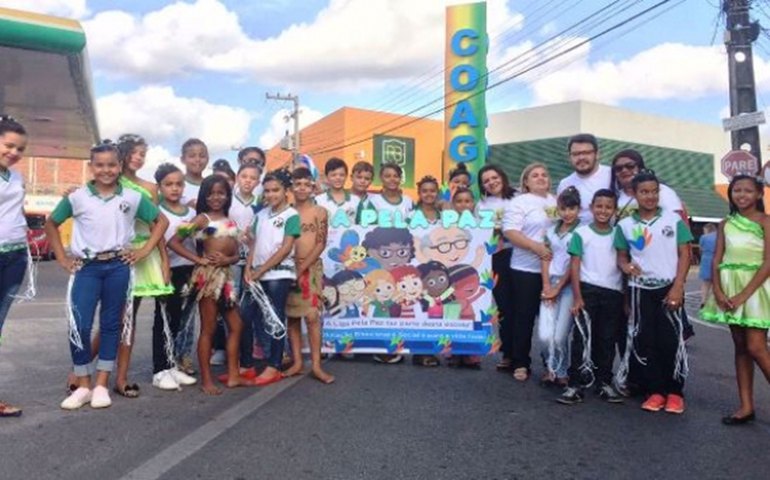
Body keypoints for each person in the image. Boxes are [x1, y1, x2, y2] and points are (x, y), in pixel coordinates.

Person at [45, 140, 166, 410]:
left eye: (112, 165)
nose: (106, 170)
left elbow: (161, 222)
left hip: (118, 267)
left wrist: (144, 250)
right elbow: (51, 223)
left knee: (113, 325)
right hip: (87, 267)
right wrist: (63, 258)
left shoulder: (133, 198)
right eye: (100, 165)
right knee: (80, 325)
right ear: (91, 167)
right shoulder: (76, 197)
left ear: (120, 166)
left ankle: (101, 384)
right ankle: (83, 384)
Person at [615, 170, 692, 414]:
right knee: (645, 341)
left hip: (668, 288)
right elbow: (621, 257)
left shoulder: (673, 220)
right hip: (640, 291)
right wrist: (626, 266)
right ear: (635, 194)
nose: (650, 196)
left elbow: (685, 254)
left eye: (654, 191)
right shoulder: (625, 225)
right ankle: (655, 391)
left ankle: (675, 392)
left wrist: (678, 286)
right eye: (644, 192)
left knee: (670, 341)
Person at [168, 175, 249, 395]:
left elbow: (234, 254)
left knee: (236, 326)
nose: (216, 197)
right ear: (204, 195)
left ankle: (233, 375)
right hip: (208, 278)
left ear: (227, 195)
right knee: (209, 329)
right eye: (211, 193)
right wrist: (198, 260)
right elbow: (173, 242)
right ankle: (206, 380)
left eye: (221, 193)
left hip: (226, 276)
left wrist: (228, 260)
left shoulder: (229, 219)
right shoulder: (201, 219)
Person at [701, 173, 770, 425]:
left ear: (760, 194)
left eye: (748, 191)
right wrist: (718, 291)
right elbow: (717, 259)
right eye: (736, 190)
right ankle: (746, 406)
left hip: (755, 288)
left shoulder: (765, 221)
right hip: (728, 288)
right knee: (740, 347)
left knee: (756, 347)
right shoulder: (725, 223)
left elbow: (768, 262)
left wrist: (744, 294)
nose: (741, 195)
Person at [115, 134, 174, 397]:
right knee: (114, 319)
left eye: (143, 154)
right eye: (135, 153)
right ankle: (80, 370)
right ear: (124, 153)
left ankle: (122, 377)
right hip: (116, 252)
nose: (139, 158)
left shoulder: (150, 188)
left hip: (142, 255)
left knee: (131, 318)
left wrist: (161, 258)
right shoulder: (111, 181)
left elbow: (157, 225)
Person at [558, 189, 624, 405]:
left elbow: (623, 264)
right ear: (591, 208)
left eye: (608, 207)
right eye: (599, 206)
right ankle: (575, 384)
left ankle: (604, 381)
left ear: (614, 210)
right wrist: (577, 297)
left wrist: (625, 299)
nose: (603, 210)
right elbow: (575, 267)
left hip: (613, 293)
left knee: (606, 340)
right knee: (581, 338)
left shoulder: (618, 234)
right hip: (587, 290)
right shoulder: (582, 234)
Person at [243, 173, 301, 385]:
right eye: (267, 190)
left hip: (278, 274)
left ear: (286, 190)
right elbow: (254, 245)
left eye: (275, 190)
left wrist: (261, 270)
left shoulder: (291, 215)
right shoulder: (260, 215)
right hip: (257, 274)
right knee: (244, 316)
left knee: (275, 318)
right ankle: (247, 365)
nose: (271, 194)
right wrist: (249, 269)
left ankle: (274, 365)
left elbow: (286, 249)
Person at [502, 163, 556, 381]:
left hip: (554, 271)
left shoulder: (556, 201)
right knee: (524, 317)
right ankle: (520, 362)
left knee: (550, 320)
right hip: (525, 269)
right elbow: (510, 232)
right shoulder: (520, 202)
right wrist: (538, 249)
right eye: (535, 175)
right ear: (526, 181)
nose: (541, 178)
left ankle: (552, 364)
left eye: (544, 174)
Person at [283, 168, 334, 383]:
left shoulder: (320, 211)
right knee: (292, 317)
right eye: (298, 184)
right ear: (291, 187)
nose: (302, 188)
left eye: (306, 184)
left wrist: (303, 268)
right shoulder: (286, 211)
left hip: (310, 269)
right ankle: (297, 362)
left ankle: (315, 365)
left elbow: (320, 242)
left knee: (312, 317)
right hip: (287, 267)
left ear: (313, 187)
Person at [152, 163, 199, 390]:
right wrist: (164, 265)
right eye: (168, 184)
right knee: (164, 319)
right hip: (167, 269)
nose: (174, 189)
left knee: (182, 320)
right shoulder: (156, 211)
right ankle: (160, 369)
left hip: (189, 269)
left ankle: (174, 365)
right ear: (160, 187)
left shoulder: (191, 213)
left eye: (179, 184)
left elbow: (197, 239)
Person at [0, 115, 29, 417]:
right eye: (9, 145)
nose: (14, 152)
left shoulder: (17, 176)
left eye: (20, 148)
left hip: (15, 256)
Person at [537, 187, 580, 387]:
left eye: (572, 208)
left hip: (570, 285)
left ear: (579, 209)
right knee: (545, 334)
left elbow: (574, 264)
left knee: (560, 333)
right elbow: (545, 257)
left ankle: (562, 371)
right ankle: (550, 368)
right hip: (550, 282)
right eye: (563, 208)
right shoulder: (551, 230)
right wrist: (547, 285)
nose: (567, 213)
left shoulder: (582, 231)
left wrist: (558, 287)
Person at [477, 165, 517, 371]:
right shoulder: (481, 205)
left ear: (502, 177)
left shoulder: (518, 197)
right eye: (486, 180)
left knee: (523, 308)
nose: (491, 182)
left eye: (494, 177)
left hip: (521, 256)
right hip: (497, 258)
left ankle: (521, 356)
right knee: (504, 308)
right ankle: (508, 353)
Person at [447, 186, 483, 369]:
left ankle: (471, 354)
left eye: (467, 201)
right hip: (451, 276)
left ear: (473, 203)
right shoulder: (446, 225)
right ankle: (454, 352)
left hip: (469, 278)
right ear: (454, 204)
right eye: (459, 201)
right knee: (452, 315)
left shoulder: (480, 225)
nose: (463, 205)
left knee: (471, 314)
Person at [411, 176, 443, 368]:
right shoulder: (410, 215)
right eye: (425, 191)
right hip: (417, 266)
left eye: (432, 190)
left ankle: (431, 349)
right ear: (419, 193)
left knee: (433, 308)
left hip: (437, 266)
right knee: (418, 308)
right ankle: (419, 352)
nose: (429, 194)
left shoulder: (444, 215)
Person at [610, 149, 684, 220]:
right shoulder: (615, 197)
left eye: (630, 166)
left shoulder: (661, 191)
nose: (624, 170)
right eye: (618, 168)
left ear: (640, 168)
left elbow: (677, 222)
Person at [557, 133, 611, 224]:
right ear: (569, 157)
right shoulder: (564, 184)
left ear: (597, 154)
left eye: (586, 153)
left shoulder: (612, 175)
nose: (581, 157)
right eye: (576, 154)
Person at [315, 157, 360, 245]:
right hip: (324, 248)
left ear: (346, 176)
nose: (338, 178)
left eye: (341, 175)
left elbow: (361, 226)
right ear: (327, 177)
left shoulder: (356, 200)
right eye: (333, 175)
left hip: (350, 248)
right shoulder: (318, 201)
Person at [180, 138, 209, 207]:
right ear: (183, 159)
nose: (197, 159)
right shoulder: (175, 184)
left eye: (202, 156)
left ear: (207, 159)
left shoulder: (212, 185)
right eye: (192, 156)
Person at [699, 223, 718, 306]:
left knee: (705, 283)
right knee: (716, 282)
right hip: (717, 259)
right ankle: (713, 302)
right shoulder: (719, 236)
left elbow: (701, 248)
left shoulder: (704, 237)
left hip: (706, 259)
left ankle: (703, 301)